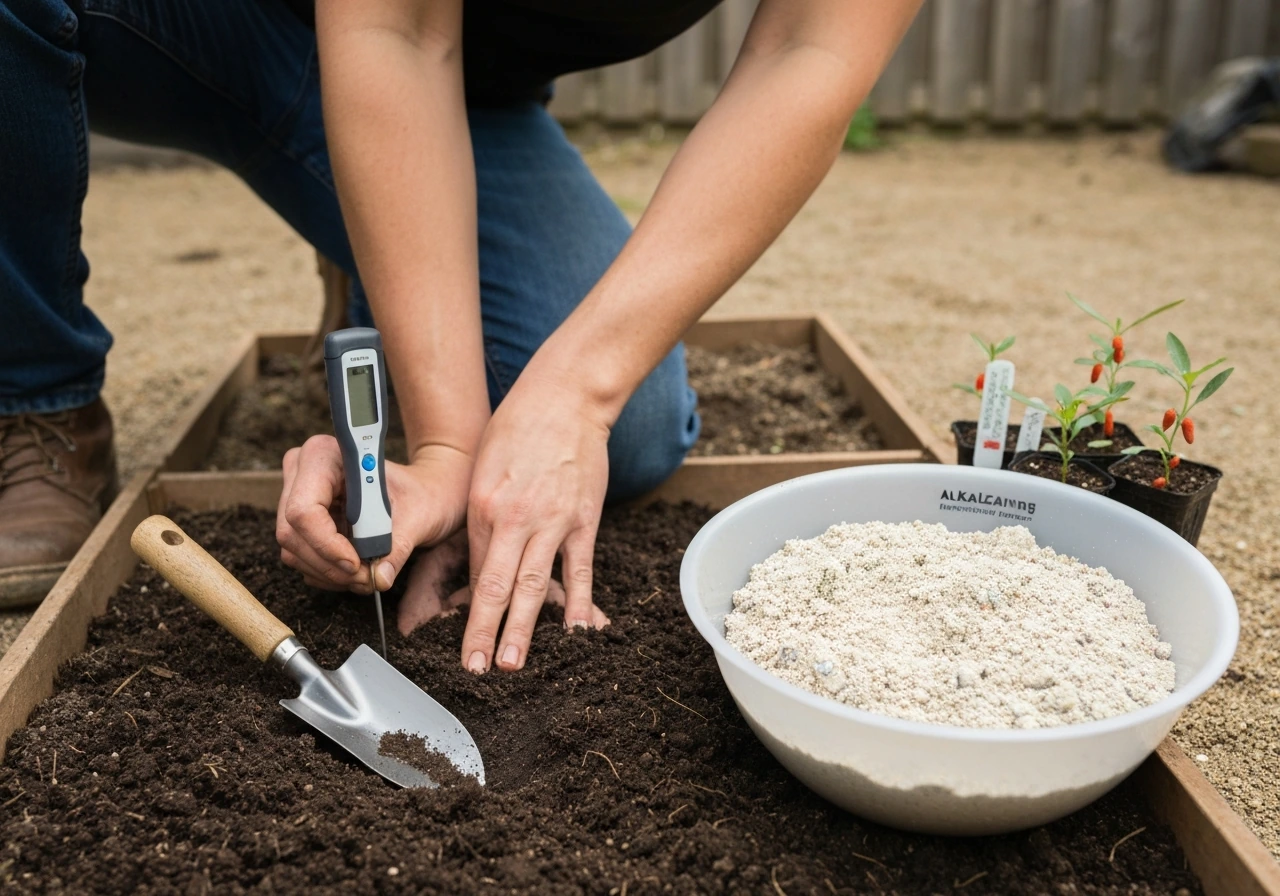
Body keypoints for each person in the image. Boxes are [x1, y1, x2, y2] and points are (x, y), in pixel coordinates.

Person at [0, 0, 921, 669]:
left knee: (632, 431)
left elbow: (810, 49)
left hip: (454, 84)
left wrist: (577, 396)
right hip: (199, 23)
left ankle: (371, 225)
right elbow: (393, 28)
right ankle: (42, 401)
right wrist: (448, 443)